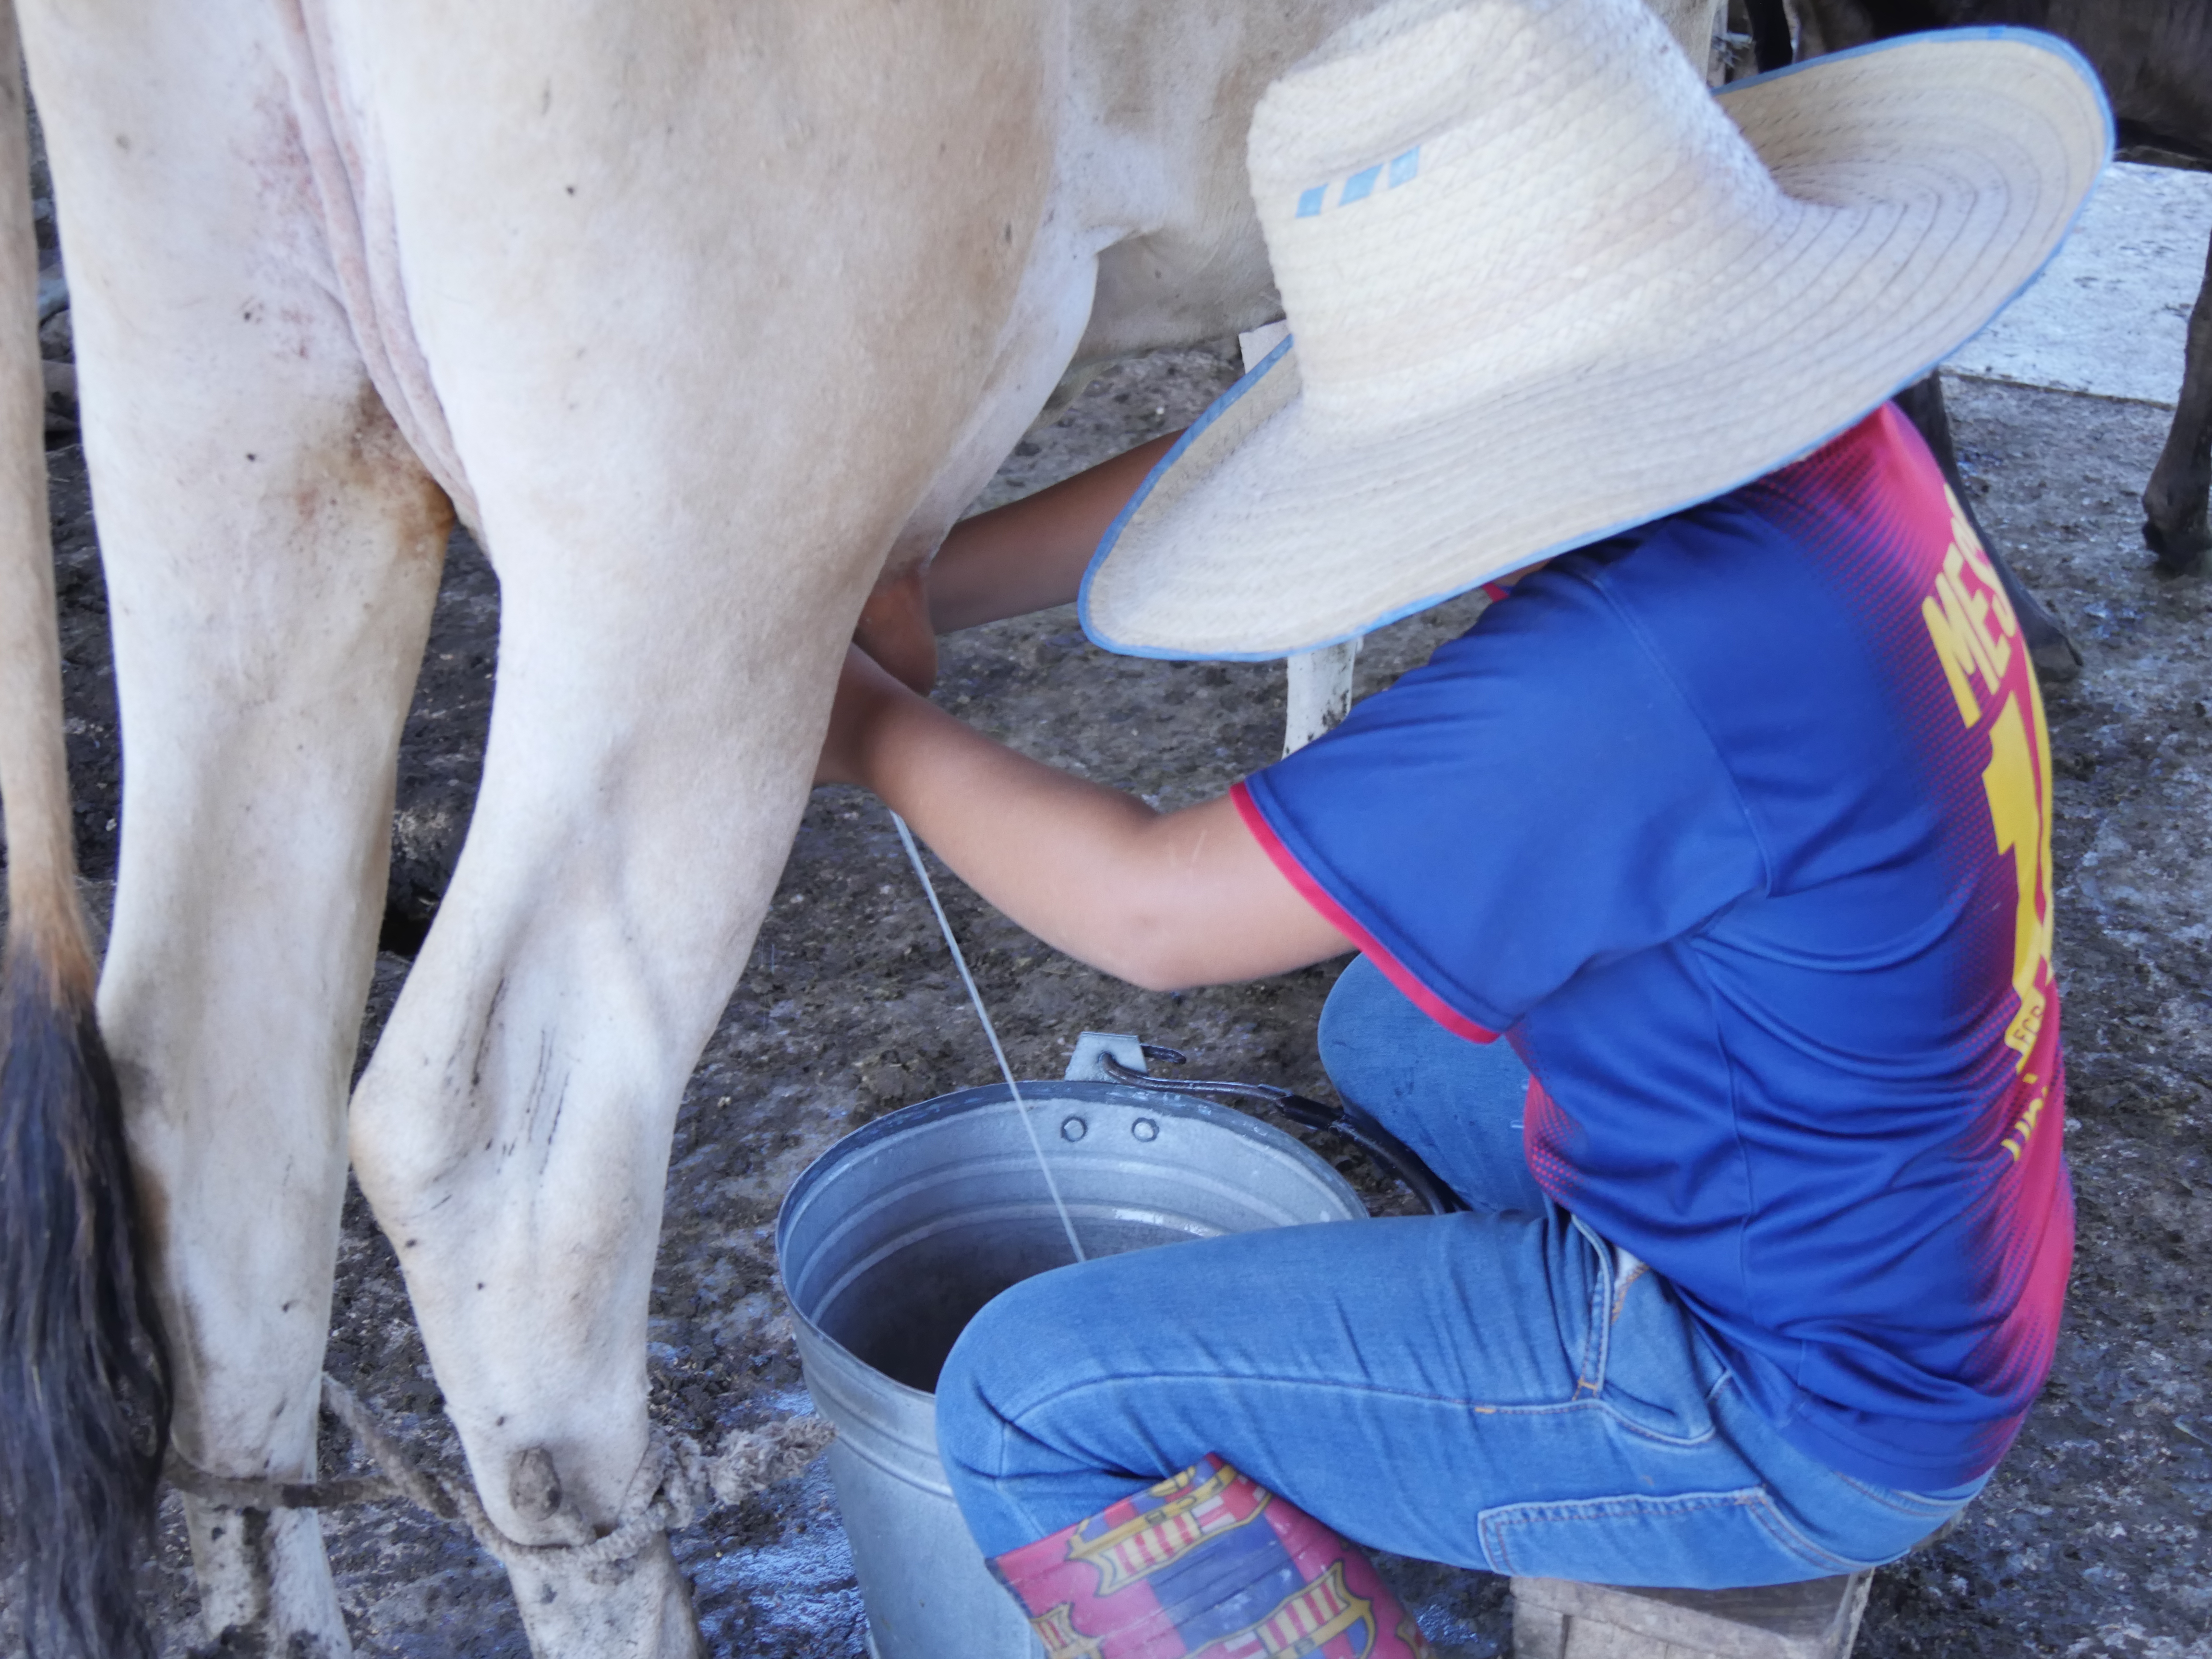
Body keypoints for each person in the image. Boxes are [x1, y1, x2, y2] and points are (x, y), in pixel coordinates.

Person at [817, 0, 2108, 1652]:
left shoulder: (1634, 670)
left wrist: (862, 722)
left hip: (1779, 1397)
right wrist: (932, 582)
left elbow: (1154, 915)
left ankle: (1550, 1449)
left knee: (1029, 1397)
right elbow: (1226, 464)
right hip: (1940, 1236)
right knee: (1385, 1021)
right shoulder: (1823, 454)